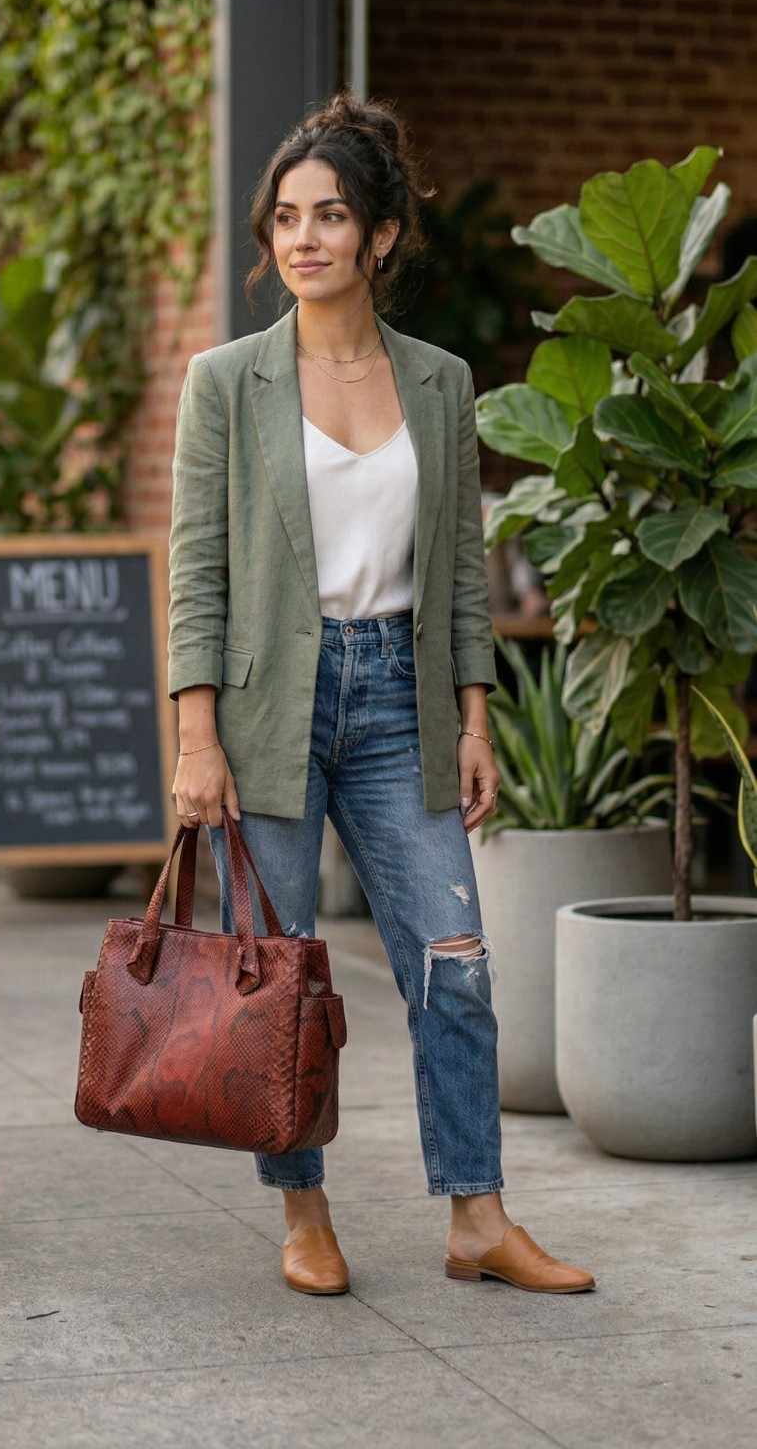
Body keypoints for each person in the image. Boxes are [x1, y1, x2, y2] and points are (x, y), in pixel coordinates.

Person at [167, 90, 595, 1298]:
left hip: (396, 698)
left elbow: (458, 572)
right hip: (266, 707)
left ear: (382, 236)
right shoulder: (225, 382)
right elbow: (195, 570)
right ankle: (301, 1210)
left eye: (330, 216)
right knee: (281, 972)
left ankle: (476, 1214)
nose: (302, 239)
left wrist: (474, 720)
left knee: (452, 960)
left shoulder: (441, 383)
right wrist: (196, 736)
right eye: (285, 220)